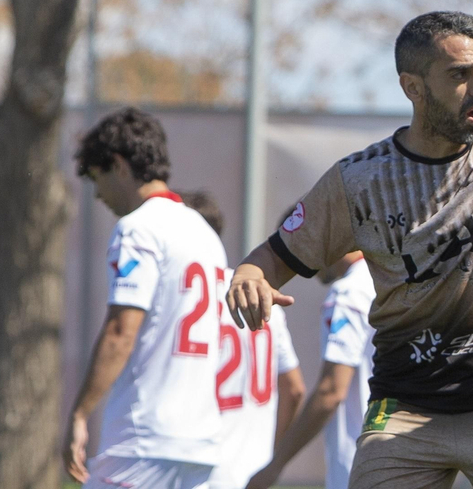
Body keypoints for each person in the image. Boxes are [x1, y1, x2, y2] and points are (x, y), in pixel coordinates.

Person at [224, 11, 473, 489]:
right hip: (404, 412)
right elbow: (270, 258)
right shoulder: (358, 182)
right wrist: (249, 275)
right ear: (412, 87)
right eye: (459, 74)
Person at [63, 108, 227, 489]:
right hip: (200, 443)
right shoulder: (204, 232)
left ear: (119, 166)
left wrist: (80, 414)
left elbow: (121, 332)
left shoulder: (138, 229)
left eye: (97, 178)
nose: (98, 194)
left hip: (145, 441)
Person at [175, 192, 307, 489]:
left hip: (199, 470)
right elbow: (295, 389)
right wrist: (271, 458)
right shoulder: (260, 296)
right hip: (253, 472)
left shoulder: (189, 295)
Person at [245, 250, 376, 489]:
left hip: (357, 464)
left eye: (303, 246)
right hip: (393, 457)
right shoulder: (386, 282)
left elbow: (331, 391)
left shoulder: (349, 292)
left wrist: (274, 466)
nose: (301, 263)